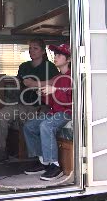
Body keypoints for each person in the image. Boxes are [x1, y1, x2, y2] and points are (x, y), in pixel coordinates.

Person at [0, 38, 59, 162]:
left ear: (43, 51)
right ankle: (1, 150)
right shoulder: (24, 66)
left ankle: (37, 158)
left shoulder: (50, 67)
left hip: (42, 106)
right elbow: (19, 82)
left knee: (36, 123)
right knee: (1, 115)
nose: (31, 51)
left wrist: (34, 83)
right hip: (23, 104)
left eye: (35, 48)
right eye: (30, 48)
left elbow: (56, 82)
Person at [23, 43, 72, 181]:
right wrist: (43, 94)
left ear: (68, 59)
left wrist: (55, 91)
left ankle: (55, 166)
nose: (55, 57)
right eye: (55, 55)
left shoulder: (74, 76)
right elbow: (51, 103)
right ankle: (43, 161)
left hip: (67, 112)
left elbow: (74, 100)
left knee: (46, 125)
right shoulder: (56, 78)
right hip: (54, 112)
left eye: (59, 55)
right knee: (29, 126)